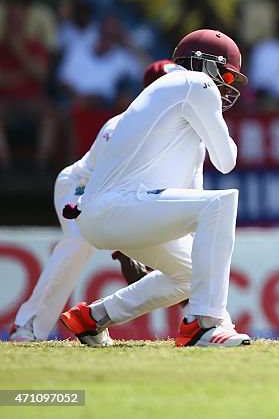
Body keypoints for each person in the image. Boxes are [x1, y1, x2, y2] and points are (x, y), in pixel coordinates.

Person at [58, 29, 250, 348]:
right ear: (205, 65)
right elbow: (227, 160)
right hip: (118, 207)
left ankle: (92, 318)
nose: (228, 85)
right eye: (227, 74)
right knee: (221, 202)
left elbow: (186, 194)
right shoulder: (196, 83)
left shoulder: (171, 98)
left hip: (112, 211)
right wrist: (215, 115)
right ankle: (203, 324)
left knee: (190, 275)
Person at [8, 60, 176, 343]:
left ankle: (93, 324)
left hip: (112, 197)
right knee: (80, 241)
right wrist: (125, 252)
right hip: (80, 188)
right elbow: (108, 187)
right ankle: (27, 327)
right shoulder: (123, 125)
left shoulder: (174, 132)